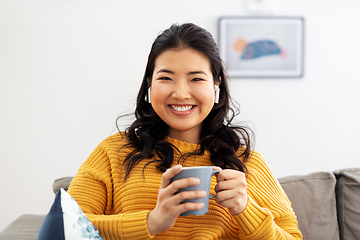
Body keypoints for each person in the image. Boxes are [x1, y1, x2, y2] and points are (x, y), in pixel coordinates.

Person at [68, 23, 302, 239]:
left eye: (196, 79)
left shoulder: (247, 162)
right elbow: (66, 227)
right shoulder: (113, 152)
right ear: (150, 85)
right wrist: (151, 222)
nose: (180, 93)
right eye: (166, 78)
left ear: (215, 85)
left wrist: (246, 210)